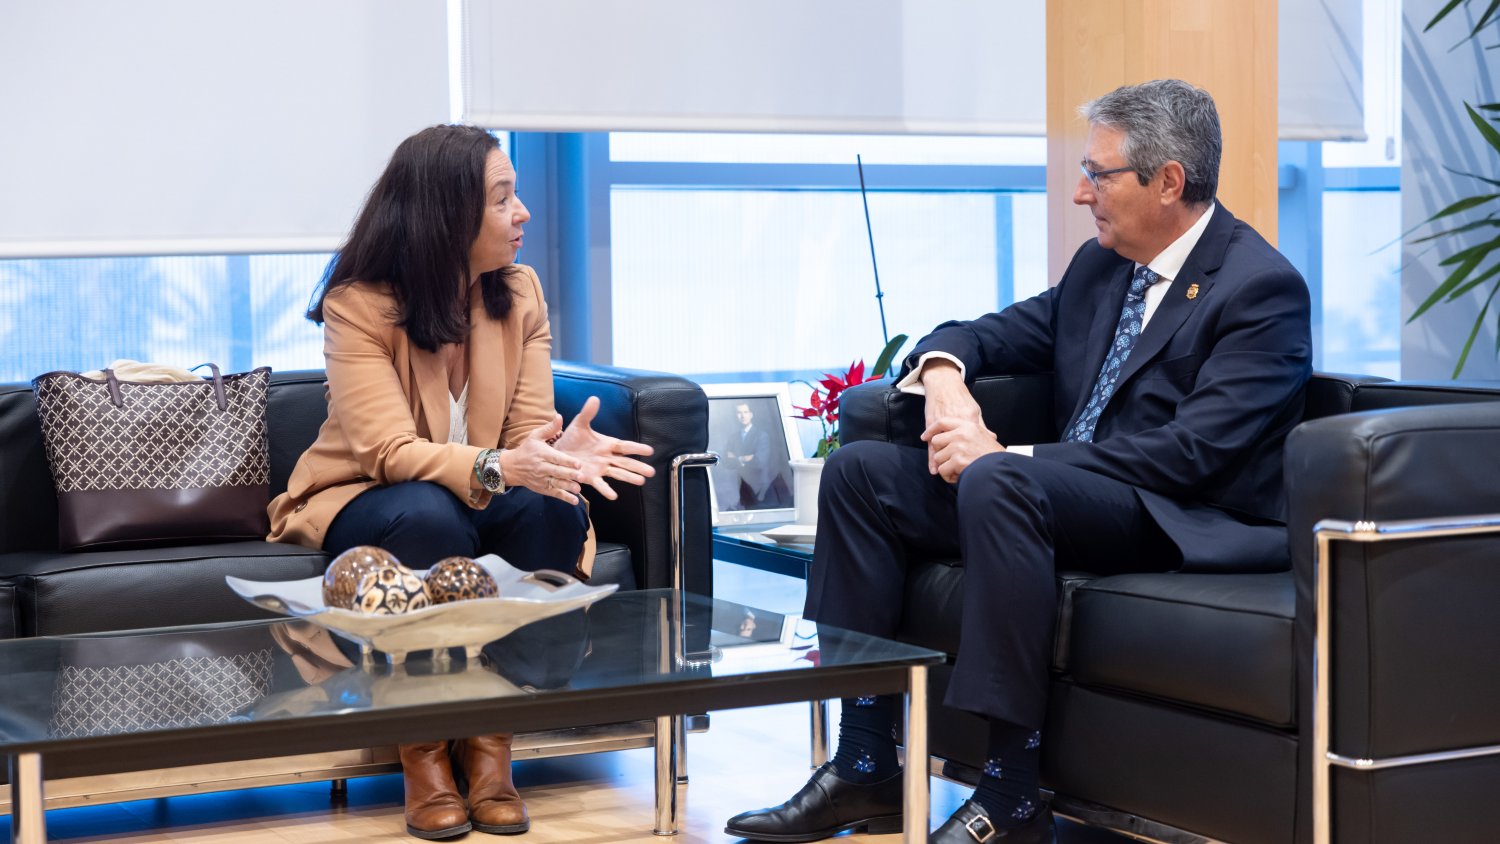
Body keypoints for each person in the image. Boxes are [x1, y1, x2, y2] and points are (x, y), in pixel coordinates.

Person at [726, 79, 1312, 843]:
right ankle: (865, 761)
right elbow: (981, 334)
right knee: (860, 471)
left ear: (1168, 181)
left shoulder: (1261, 288)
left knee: (1000, 478)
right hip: (1055, 495)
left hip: (1174, 512)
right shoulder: (1104, 269)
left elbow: (1193, 454)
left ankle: (1010, 794)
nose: (1079, 192)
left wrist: (1011, 454)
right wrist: (943, 381)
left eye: (1099, 175)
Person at [267, 124, 655, 840]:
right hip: (372, 503)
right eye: (503, 199)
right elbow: (386, 449)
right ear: (446, 215)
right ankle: (424, 752)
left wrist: (556, 452)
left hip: (482, 497)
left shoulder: (519, 292)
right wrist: (500, 466)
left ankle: (489, 744)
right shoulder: (360, 303)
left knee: (551, 507)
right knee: (427, 515)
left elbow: (525, 437)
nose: (523, 214)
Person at [721, 402, 774, 508]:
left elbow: (760, 461)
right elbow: (726, 462)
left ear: (751, 414)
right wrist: (747, 458)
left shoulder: (761, 435)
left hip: (760, 488)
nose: (743, 415)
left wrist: (737, 458)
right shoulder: (733, 438)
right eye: (739, 413)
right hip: (741, 486)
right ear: (736, 416)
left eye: (745, 412)